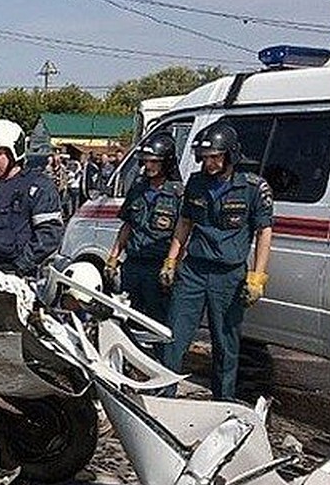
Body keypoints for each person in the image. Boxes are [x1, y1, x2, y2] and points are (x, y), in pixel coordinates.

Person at [160, 120, 273, 401]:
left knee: (225, 344)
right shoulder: (196, 184)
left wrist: (258, 277)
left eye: (215, 157)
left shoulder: (252, 188)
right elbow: (185, 223)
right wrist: (171, 260)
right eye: (205, 158)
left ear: (230, 155)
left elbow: (264, 232)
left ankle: (223, 402)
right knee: (174, 338)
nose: (209, 163)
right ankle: (163, 397)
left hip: (229, 276)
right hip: (194, 273)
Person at [0, 119, 64, 277]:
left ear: (14, 153)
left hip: (18, 279)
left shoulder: (37, 188)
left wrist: (18, 268)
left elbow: (49, 235)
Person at [105, 131, 183, 324]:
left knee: (156, 322)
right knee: (126, 319)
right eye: (146, 161)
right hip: (133, 265)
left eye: (154, 161)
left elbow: (182, 236)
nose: (149, 166)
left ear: (166, 162)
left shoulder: (178, 194)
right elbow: (128, 225)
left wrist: (172, 266)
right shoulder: (138, 188)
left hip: (157, 267)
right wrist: (113, 257)